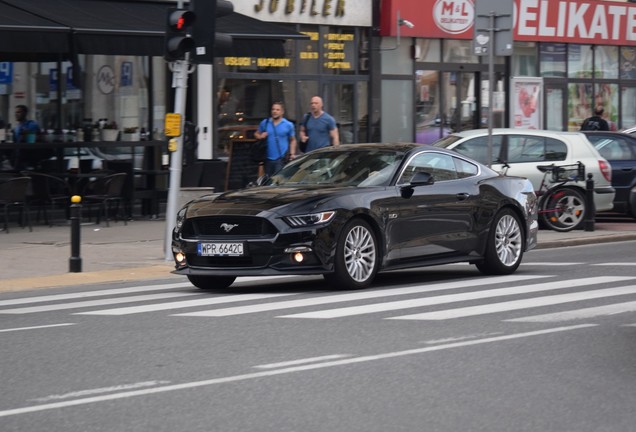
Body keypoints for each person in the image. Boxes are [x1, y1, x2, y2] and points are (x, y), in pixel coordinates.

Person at [254, 102, 297, 176]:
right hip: (267, 158)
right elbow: (256, 134)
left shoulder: (288, 125)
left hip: (281, 158)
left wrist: (292, 154)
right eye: (273, 109)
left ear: (282, 112)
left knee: (278, 179)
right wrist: (260, 136)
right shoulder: (265, 123)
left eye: (277, 110)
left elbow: (293, 139)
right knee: (268, 180)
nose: (274, 111)